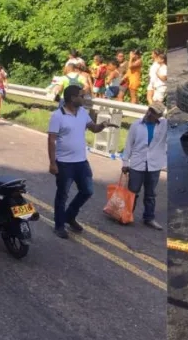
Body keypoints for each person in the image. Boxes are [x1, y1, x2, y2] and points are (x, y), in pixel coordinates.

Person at [47, 85, 115, 239]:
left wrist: (103, 125)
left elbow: (93, 128)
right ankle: (59, 225)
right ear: (72, 98)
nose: (84, 98)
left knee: (87, 191)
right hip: (64, 163)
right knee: (62, 195)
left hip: (81, 162)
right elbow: (51, 140)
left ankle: (69, 216)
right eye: (81, 96)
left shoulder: (83, 112)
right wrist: (52, 163)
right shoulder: (58, 116)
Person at [121, 101, 167, 230]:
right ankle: (127, 215)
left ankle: (149, 218)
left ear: (159, 116)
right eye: (149, 110)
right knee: (132, 192)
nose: (149, 113)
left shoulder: (163, 125)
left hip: (154, 164)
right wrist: (125, 162)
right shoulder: (136, 125)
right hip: (137, 163)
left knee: (150, 193)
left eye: (153, 112)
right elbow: (129, 144)